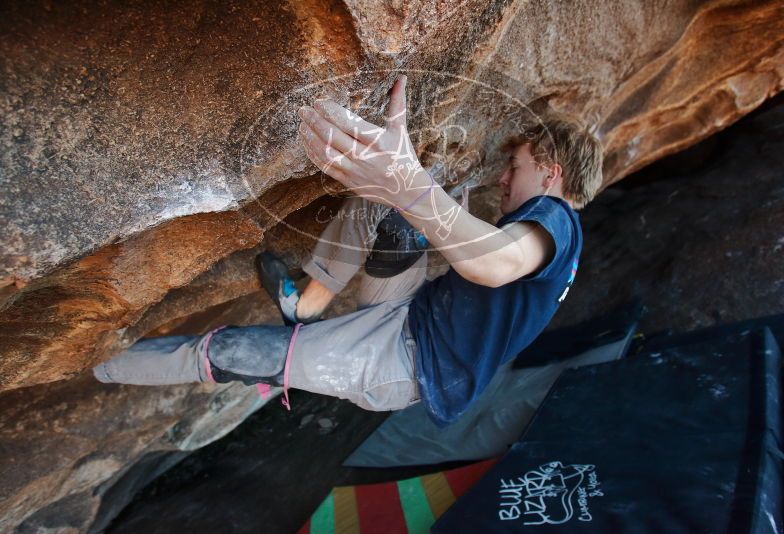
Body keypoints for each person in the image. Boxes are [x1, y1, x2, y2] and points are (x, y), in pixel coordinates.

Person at [93, 75, 603, 426]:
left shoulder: (554, 222)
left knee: (232, 352)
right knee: (388, 204)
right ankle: (308, 302)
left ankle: (98, 364)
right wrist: (405, 187)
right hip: (409, 314)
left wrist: (411, 183)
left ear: (550, 171)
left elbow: (494, 264)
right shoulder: (553, 238)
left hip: (400, 360)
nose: (503, 176)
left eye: (515, 165)